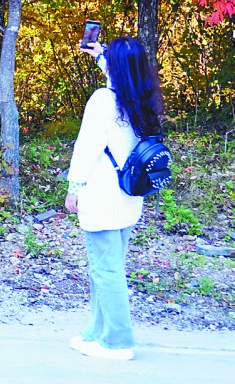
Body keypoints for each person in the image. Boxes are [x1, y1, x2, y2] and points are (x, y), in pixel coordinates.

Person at [65, 35, 162, 361]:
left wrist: (74, 188)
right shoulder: (143, 100)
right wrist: (100, 55)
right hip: (129, 197)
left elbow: (86, 147)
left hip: (103, 195)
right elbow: (119, 74)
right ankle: (96, 332)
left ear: (117, 68)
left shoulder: (104, 101)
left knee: (105, 271)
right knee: (108, 268)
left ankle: (118, 343)